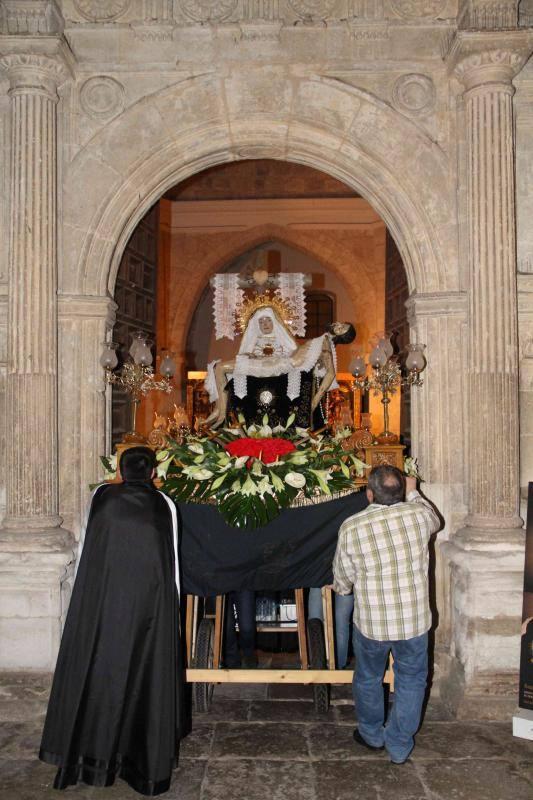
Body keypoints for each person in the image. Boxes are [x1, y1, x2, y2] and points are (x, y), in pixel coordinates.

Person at [39, 446, 190, 795]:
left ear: (120, 472)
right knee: (143, 676)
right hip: (147, 611)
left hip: (104, 606)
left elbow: (88, 551)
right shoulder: (163, 505)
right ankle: (142, 765)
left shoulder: (102, 498)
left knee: (100, 672)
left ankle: (90, 759)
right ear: (153, 472)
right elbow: (173, 569)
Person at [332, 465, 440, 764]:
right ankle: (399, 745)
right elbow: (434, 518)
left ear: (369, 494)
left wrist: (342, 589)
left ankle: (371, 734)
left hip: (372, 623)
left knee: (368, 677)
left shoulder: (352, 526)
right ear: (402, 490)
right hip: (414, 621)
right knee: (412, 679)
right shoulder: (419, 516)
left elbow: (343, 578)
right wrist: (414, 489)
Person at [205, 305, 338, 428]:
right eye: (261, 322)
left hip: (275, 368)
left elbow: (294, 357)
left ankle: (220, 413)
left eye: (268, 320)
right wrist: (250, 355)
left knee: (220, 367)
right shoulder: (254, 339)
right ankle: (220, 411)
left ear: (274, 322)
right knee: (218, 367)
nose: (265, 324)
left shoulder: (284, 340)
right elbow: (244, 354)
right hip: (255, 366)